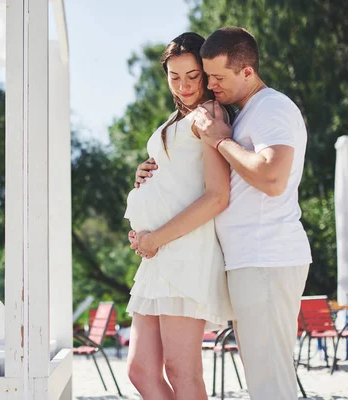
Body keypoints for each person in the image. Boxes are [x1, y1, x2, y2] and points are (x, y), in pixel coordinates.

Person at [133, 27, 312, 400]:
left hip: (261, 255)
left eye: (208, 77)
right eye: (176, 76)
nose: (208, 86)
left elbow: (260, 181)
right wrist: (148, 176)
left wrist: (218, 139)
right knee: (261, 377)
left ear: (246, 71)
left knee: (267, 381)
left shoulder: (258, 110)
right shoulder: (243, 114)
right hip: (242, 258)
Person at [124, 32, 234, 400]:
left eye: (192, 76)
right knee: (140, 371)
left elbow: (217, 197)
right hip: (158, 255)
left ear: (205, 73)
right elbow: (176, 178)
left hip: (186, 252)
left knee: (183, 373)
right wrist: (144, 181)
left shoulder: (209, 116)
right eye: (175, 77)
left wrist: (155, 237)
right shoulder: (177, 118)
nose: (184, 85)